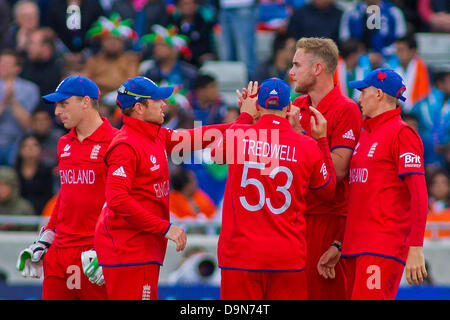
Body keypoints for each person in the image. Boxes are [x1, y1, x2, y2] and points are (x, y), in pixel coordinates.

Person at [94, 75, 255, 300]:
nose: (164, 104)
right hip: (128, 249)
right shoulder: (125, 145)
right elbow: (117, 200)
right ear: (139, 107)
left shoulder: (154, 135)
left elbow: (198, 137)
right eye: (157, 100)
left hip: (141, 248)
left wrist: (246, 120)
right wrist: (164, 227)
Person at [211, 78, 337, 300]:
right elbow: (327, 191)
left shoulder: (240, 134)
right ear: (289, 107)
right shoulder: (307, 145)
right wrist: (321, 142)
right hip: (287, 256)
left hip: (241, 255)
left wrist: (245, 116)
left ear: (258, 106)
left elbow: (216, 155)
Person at [16, 75, 117, 299]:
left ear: (86, 102)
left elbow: (122, 202)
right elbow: (66, 195)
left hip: (94, 255)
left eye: (63, 104)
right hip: (60, 254)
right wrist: (45, 239)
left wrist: (109, 248)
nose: (56, 112)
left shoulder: (117, 142)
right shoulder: (63, 144)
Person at [342, 68, 428, 299]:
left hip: (382, 247)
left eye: (363, 92)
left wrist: (416, 246)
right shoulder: (365, 133)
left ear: (379, 93)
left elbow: (419, 193)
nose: (359, 98)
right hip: (353, 246)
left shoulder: (403, 134)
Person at [289, 37, 362, 300]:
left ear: (318, 69)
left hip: (327, 222)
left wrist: (302, 139)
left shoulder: (347, 110)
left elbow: (337, 174)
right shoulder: (296, 107)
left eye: (297, 65)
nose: (291, 71)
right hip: (293, 220)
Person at [83, 13, 140, 97]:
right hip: (98, 101)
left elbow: (131, 85)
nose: (112, 43)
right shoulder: (93, 61)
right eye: (108, 39)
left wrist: (99, 82)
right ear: (101, 42)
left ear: (123, 43)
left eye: (116, 40)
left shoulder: (130, 60)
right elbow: (85, 83)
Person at [0, 49, 40, 166]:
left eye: (7, 64)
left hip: (18, 142)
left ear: (17, 68)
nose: (2, 66)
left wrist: (12, 102)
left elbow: (28, 125)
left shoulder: (30, 89)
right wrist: (4, 103)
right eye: (1, 63)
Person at [339, 0, 407, 58]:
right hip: (357, 61)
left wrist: (381, 54)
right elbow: (345, 41)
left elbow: (401, 41)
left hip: (388, 60)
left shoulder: (393, 12)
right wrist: (364, 57)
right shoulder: (350, 13)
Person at [387, 34, 431, 113]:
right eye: (397, 50)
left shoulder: (421, 67)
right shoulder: (390, 67)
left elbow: (423, 96)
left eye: (401, 50)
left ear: (412, 51)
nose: (398, 54)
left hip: (416, 113)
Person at [14, 134, 54, 215]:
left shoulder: (47, 172)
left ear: (40, 149)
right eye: (26, 146)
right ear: (20, 150)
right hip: (18, 214)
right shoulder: (14, 172)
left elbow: (49, 197)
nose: (30, 148)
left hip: (41, 213)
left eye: (34, 145)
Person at [0, 165, 35, 231]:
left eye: (5, 185)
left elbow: (30, 233)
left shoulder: (24, 208)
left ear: (13, 187)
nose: (2, 189)